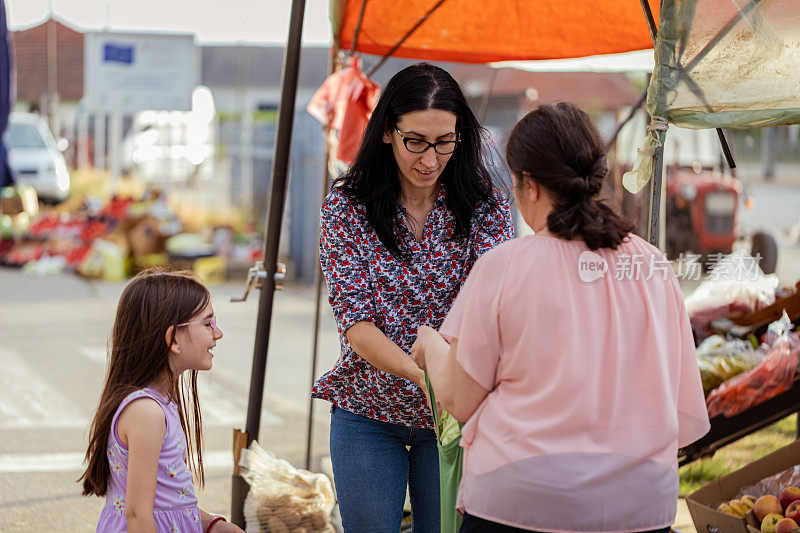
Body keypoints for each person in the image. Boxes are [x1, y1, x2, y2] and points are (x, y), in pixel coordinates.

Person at [411, 102, 710, 533]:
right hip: (640, 509)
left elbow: (459, 399)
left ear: (529, 186)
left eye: (515, 184)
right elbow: (682, 413)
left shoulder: (506, 266)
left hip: (519, 506)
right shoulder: (652, 266)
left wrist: (431, 345)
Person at [311, 62, 514, 532]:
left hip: (453, 416)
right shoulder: (347, 208)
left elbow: (492, 314)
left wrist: (449, 386)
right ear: (386, 132)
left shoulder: (486, 208)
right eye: (416, 142)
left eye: (445, 142)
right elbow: (356, 324)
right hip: (368, 411)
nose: (429, 159)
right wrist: (425, 376)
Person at [80, 269, 243, 533]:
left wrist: (212, 525)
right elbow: (138, 516)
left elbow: (169, 503)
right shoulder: (146, 412)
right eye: (208, 323)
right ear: (173, 340)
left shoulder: (161, 403)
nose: (218, 333)